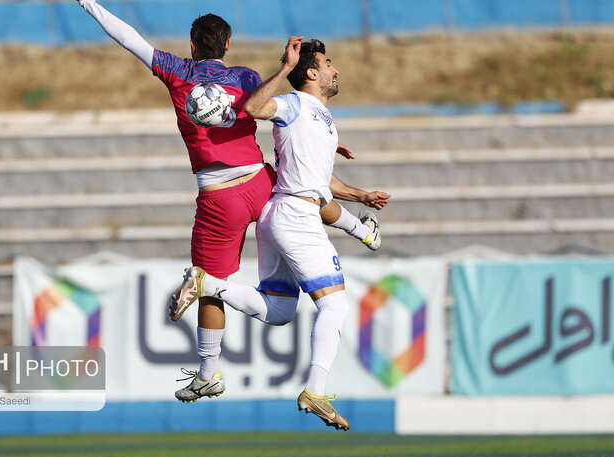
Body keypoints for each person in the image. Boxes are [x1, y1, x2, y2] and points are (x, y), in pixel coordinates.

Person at [76, 0, 388, 404]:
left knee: (208, 284)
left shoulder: (177, 71)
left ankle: (209, 373)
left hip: (218, 199)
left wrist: (89, 4)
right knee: (303, 188)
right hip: (260, 182)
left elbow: (127, 37)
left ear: (192, 45)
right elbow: (269, 108)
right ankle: (363, 230)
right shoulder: (245, 76)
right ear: (227, 45)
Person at [170, 36, 391, 430]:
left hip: (281, 213)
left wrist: (361, 195)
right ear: (312, 72)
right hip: (295, 216)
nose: (335, 69)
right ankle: (316, 390)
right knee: (335, 306)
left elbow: (321, 183)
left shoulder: (322, 118)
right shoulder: (294, 104)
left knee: (281, 311)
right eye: (328, 63)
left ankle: (208, 284)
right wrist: (285, 68)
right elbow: (254, 107)